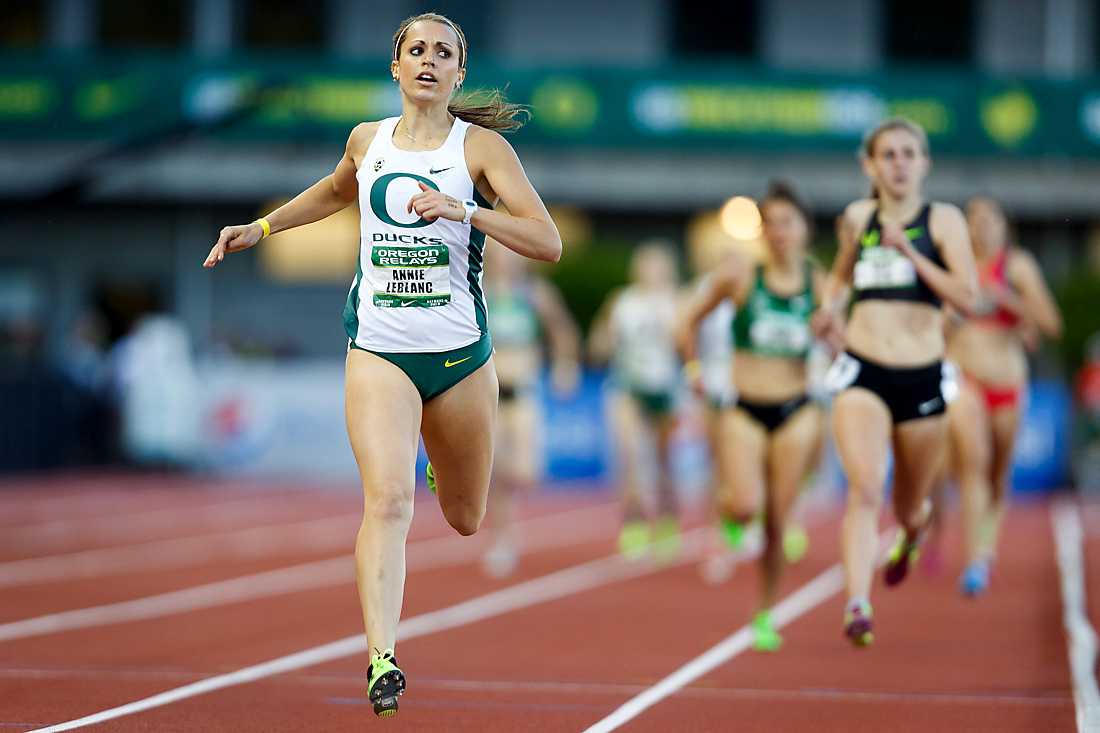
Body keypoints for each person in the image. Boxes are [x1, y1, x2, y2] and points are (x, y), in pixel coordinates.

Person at [203, 12, 562, 717]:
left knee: (465, 516)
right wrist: (265, 225)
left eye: (444, 53)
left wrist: (465, 212)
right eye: (416, 50)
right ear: (395, 68)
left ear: (460, 72)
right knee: (388, 500)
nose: (429, 60)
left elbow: (546, 240)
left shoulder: (479, 149)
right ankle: (382, 656)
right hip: (379, 349)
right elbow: (337, 190)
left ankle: (439, 455)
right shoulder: (366, 141)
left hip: (460, 357)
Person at [815, 117, 976, 647]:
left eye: (910, 153)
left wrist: (908, 252)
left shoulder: (945, 221)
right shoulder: (858, 217)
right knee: (864, 488)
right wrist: (829, 310)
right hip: (864, 369)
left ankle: (910, 536)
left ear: (925, 163)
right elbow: (841, 274)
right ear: (870, 165)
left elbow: (967, 299)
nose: (900, 163)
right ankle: (857, 603)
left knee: (909, 507)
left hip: (923, 375)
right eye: (889, 154)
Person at [679, 182, 828, 651]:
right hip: (744, 406)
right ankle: (732, 514)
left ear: (805, 229)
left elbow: (843, 334)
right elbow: (688, 319)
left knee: (779, 523)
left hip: (796, 408)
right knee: (744, 505)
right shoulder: (742, 275)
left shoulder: (818, 282)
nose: (779, 232)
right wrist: (695, 368)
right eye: (770, 224)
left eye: (787, 223)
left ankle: (765, 612)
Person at [947, 196, 1062, 596]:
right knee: (972, 461)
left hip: (1007, 381)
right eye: (973, 220)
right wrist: (956, 314)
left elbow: (1051, 323)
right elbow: (934, 325)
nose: (981, 227)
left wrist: (1005, 298)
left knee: (997, 472)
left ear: (1003, 224)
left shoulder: (1018, 266)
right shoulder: (955, 267)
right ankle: (974, 559)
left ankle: (988, 544)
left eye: (988, 219)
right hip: (965, 378)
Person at [482, 239, 580, 577]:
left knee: (525, 472)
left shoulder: (535, 294)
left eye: (510, 255)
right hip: (489, 396)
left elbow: (563, 331)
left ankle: (505, 518)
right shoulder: (479, 291)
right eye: (499, 255)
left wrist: (565, 366)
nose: (505, 261)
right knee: (494, 473)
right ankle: (502, 539)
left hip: (523, 393)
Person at [589, 242, 683, 560]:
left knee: (663, 459)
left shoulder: (677, 301)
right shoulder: (623, 301)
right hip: (628, 384)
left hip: (665, 386)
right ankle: (635, 519)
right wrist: (605, 339)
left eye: (657, 266)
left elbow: (689, 345)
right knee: (629, 453)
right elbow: (599, 341)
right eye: (646, 265)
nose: (651, 272)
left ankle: (668, 517)